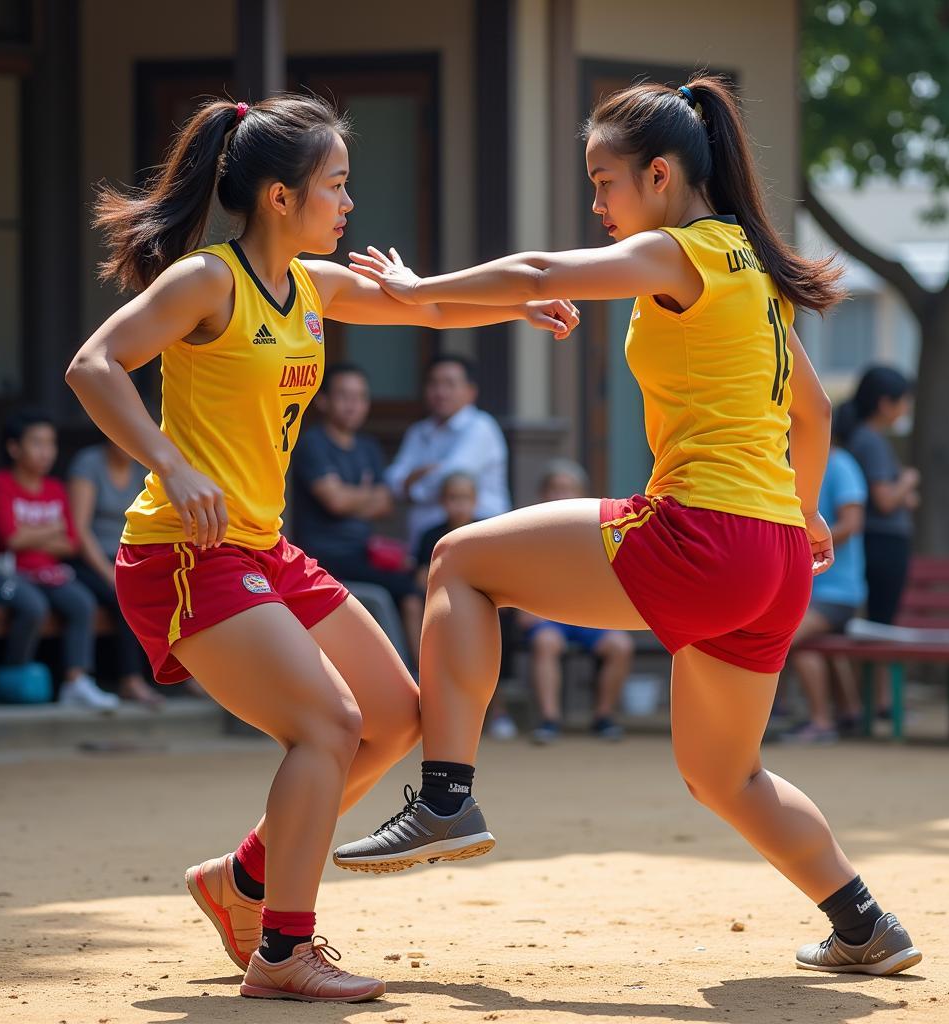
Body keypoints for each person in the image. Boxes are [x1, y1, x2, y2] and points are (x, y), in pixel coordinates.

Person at [335, 76, 921, 977]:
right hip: (772, 561)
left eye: (604, 183)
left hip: (705, 534)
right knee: (726, 776)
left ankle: (446, 798)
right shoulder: (753, 272)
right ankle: (864, 925)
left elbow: (536, 272)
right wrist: (801, 515)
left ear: (658, 175)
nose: (597, 203)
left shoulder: (681, 253)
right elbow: (814, 415)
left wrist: (416, 288)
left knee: (458, 559)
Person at [65, 94, 578, 1002]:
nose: (347, 205)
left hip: (259, 545)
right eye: (335, 186)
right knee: (330, 727)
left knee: (395, 717)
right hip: (184, 551)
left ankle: (243, 882)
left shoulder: (313, 286)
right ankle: (282, 952)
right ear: (276, 196)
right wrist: (171, 464)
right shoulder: (206, 282)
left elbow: (430, 304)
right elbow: (94, 365)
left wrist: (522, 302)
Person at [291, 362, 423, 663]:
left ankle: (422, 675)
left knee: (423, 579)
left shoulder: (368, 447)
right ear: (323, 400)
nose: (354, 405)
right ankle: (413, 677)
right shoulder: (313, 443)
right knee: (407, 590)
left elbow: (386, 503)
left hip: (364, 552)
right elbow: (335, 502)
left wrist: (351, 496)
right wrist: (366, 496)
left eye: (360, 397)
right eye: (344, 396)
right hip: (324, 556)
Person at [0, 411, 115, 711]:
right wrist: (49, 530)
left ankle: (75, 681)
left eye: (51, 443)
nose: (47, 451)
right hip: (6, 574)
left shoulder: (56, 488)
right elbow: (11, 540)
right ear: (14, 447)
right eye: (37, 443)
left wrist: (31, 534)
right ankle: (14, 674)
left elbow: (69, 543)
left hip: (49, 572)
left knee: (82, 602)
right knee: (33, 606)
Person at [519, 460, 632, 744]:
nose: (561, 495)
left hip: (589, 616)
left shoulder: (598, 530)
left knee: (621, 645)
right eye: (555, 488)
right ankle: (549, 720)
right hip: (546, 617)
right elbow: (513, 576)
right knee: (545, 643)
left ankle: (603, 717)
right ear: (543, 494)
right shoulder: (526, 531)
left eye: (568, 489)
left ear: (582, 494)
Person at [416, 471, 517, 739]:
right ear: (442, 501)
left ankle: (498, 711)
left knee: (499, 633)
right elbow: (421, 577)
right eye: (452, 497)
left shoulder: (485, 531)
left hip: (482, 606)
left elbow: (500, 575)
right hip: (443, 608)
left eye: (464, 498)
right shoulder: (430, 536)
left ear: (475, 500)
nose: (459, 504)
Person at [782, 444, 868, 744]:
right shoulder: (788, 465)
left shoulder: (841, 464)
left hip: (838, 593)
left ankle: (820, 721)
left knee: (785, 635)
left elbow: (852, 523)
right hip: (808, 591)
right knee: (808, 646)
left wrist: (805, 545)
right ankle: (847, 711)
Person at [68, 439, 163, 707]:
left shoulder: (143, 468)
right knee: (125, 596)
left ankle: (187, 676)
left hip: (130, 558)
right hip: (90, 561)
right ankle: (130, 680)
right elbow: (80, 529)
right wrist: (111, 573)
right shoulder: (89, 464)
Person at [385, 354, 511, 550]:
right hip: (425, 542)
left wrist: (411, 486)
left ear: (471, 391)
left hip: (477, 537)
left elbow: (450, 478)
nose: (440, 392)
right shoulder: (419, 431)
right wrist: (407, 483)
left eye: (450, 384)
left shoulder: (481, 426)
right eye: (434, 384)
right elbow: (392, 479)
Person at [836, 366, 917, 627]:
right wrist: (907, 481)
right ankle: (877, 671)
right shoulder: (870, 441)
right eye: (903, 401)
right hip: (884, 543)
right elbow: (884, 500)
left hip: (876, 542)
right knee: (881, 628)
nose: (906, 408)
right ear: (884, 403)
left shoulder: (861, 438)